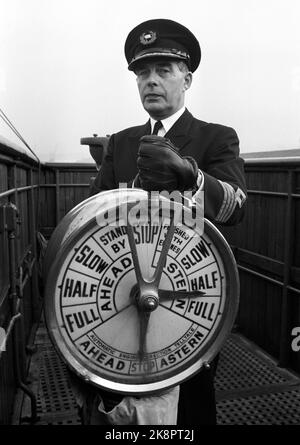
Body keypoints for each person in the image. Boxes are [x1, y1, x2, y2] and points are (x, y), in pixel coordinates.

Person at [78, 18, 247, 425]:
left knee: (190, 404)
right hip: (120, 295)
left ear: (187, 79)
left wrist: (190, 175)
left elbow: (236, 207)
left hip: (188, 302)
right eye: (142, 73)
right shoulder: (119, 144)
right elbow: (92, 216)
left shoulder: (216, 138)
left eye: (163, 71)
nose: (150, 81)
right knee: (119, 402)